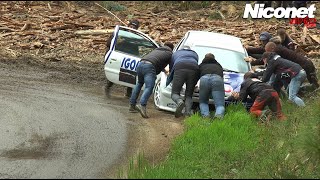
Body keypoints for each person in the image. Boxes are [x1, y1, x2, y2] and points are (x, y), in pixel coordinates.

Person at [129, 42, 174, 118]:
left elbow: (156, 61)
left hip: (141, 64)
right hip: (149, 67)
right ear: (171, 48)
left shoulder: (157, 50)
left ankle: (132, 106)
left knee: (139, 83)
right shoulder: (170, 54)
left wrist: (164, 71)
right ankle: (142, 105)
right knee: (149, 87)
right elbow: (171, 68)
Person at [105, 19, 140, 98]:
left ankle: (128, 93)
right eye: (131, 27)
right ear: (128, 26)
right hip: (118, 56)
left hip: (130, 58)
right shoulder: (120, 33)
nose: (132, 29)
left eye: (134, 28)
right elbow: (109, 43)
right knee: (116, 72)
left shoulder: (137, 37)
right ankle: (107, 87)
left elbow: (136, 50)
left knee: (131, 75)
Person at [166, 44, 200, 118]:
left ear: (181, 49)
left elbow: (171, 69)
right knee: (189, 95)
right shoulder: (195, 54)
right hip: (194, 68)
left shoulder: (176, 53)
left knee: (175, 93)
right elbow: (196, 64)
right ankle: (187, 113)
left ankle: (179, 101)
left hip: (179, 66)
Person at [198, 53, 225, 119]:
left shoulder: (201, 65)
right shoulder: (218, 65)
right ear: (214, 58)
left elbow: (196, 76)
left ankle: (206, 117)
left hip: (204, 79)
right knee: (219, 104)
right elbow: (222, 76)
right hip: (217, 79)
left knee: (203, 102)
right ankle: (218, 116)